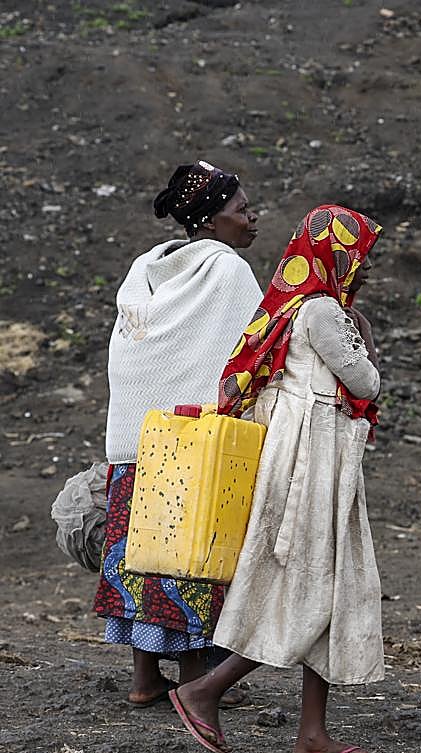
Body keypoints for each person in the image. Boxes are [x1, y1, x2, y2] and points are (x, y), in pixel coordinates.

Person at [169, 205, 386, 753]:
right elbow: (365, 380)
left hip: (307, 455)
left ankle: (312, 735)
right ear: (336, 255)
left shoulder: (291, 307)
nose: (364, 269)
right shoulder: (321, 312)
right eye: (359, 256)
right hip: (314, 461)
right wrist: (365, 338)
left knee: (325, 586)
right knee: (311, 588)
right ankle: (204, 690)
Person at [93, 161, 261, 707]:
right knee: (188, 554)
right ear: (211, 221)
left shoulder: (146, 269)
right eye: (241, 209)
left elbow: (138, 351)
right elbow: (248, 352)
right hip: (192, 442)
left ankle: (145, 680)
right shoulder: (226, 271)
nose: (252, 217)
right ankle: (194, 679)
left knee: (139, 553)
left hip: (135, 436)